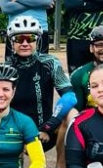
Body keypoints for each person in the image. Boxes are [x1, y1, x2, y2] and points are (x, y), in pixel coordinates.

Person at [4, 16, 75, 153]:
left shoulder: (50, 63)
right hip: (13, 131)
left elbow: (70, 96)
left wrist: (49, 126)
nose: (25, 43)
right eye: (19, 39)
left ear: (38, 41)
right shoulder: (5, 67)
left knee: (72, 113)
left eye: (30, 38)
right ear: (12, 43)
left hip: (45, 131)